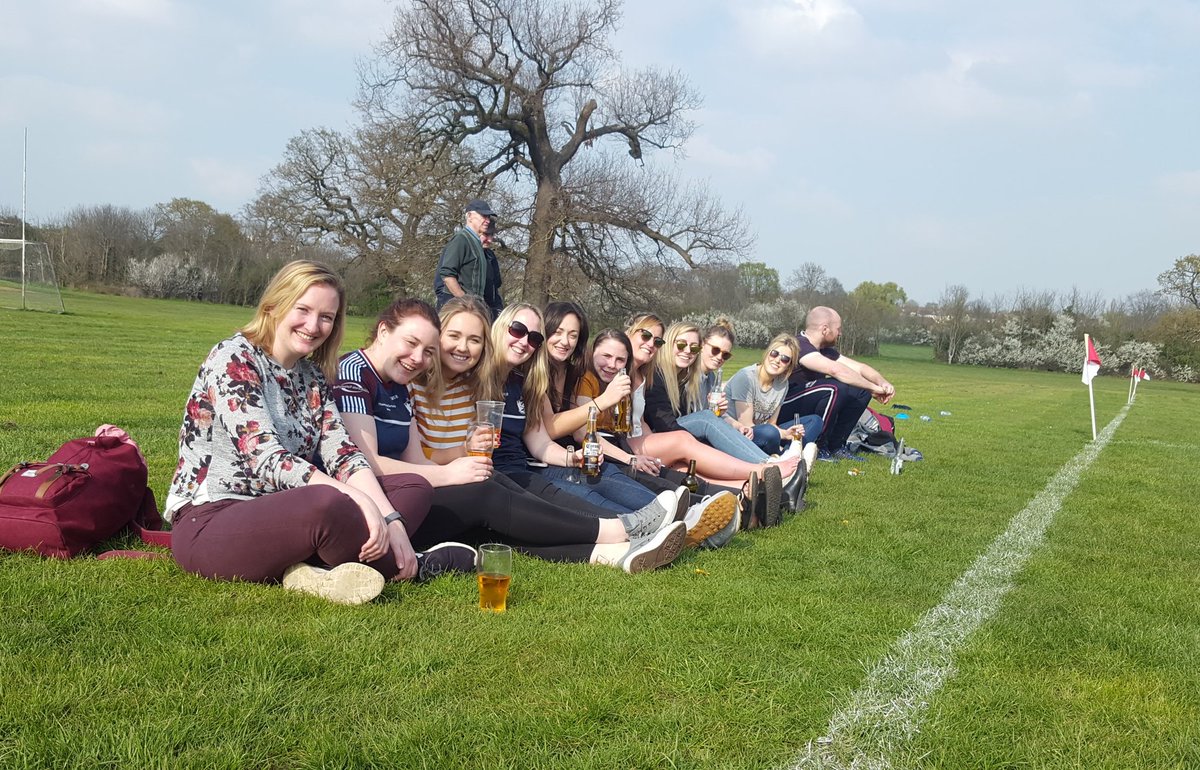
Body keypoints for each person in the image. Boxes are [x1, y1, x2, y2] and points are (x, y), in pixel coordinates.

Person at [164, 260, 442, 606]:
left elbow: (343, 454)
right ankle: (421, 564)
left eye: (326, 316)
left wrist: (391, 519)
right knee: (327, 503)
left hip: (280, 511)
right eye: (304, 310)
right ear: (276, 304)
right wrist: (359, 500)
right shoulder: (234, 358)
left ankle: (312, 569)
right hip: (210, 518)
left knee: (413, 486)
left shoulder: (311, 376)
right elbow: (267, 459)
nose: (314, 325)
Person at [333, 297, 680, 573]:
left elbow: (415, 459)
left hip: (420, 488)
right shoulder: (375, 373)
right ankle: (620, 530)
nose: (461, 348)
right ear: (383, 332)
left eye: (473, 340)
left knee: (500, 515)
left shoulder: (408, 382)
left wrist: (462, 453)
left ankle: (614, 553)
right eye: (450, 337)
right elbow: (361, 464)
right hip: (386, 504)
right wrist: (450, 470)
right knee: (490, 494)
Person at [622, 314, 805, 527]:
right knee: (707, 423)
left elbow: (650, 420)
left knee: (684, 467)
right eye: (681, 344)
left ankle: (761, 493)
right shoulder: (657, 374)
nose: (688, 351)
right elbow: (664, 423)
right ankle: (767, 466)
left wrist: (720, 425)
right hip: (649, 442)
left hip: (656, 441)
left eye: (694, 348)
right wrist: (705, 438)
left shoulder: (676, 376)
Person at [780, 306, 897, 461]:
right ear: (825, 329)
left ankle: (835, 446)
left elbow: (860, 368)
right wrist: (874, 388)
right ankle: (817, 446)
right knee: (834, 388)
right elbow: (835, 370)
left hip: (804, 404)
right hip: (785, 405)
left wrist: (881, 382)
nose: (840, 333)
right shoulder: (798, 345)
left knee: (859, 391)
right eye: (838, 329)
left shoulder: (825, 351)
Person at [726, 333, 822, 467]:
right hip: (739, 434)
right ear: (767, 353)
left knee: (815, 421)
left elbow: (772, 422)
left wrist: (788, 433)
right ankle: (790, 456)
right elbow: (747, 426)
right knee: (769, 432)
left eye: (784, 359)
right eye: (774, 354)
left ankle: (786, 454)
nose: (777, 360)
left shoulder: (782, 384)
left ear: (789, 366)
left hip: (765, 433)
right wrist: (783, 434)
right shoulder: (746, 377)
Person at [433, 198, 503, 318]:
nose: (487, 221)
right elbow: (447, 275)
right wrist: (464, 302)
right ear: (469, 216)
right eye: (483, 216)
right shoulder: (461, 239)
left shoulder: (477, 243)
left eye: (488, 217)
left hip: (471, 309)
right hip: (457, 309)